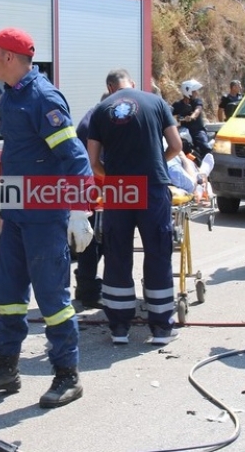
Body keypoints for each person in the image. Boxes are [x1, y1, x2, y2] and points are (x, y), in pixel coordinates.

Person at [0, 27, 94, 408]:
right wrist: (5, 209)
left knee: (53, 298)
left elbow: (75, 158)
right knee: (8, 297)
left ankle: (67, 376)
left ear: (9, 57)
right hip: (18, 215)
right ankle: (6, 369)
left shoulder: (42, 98)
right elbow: (16, 160)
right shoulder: (13, 97)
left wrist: (78, 211)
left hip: (44, 216)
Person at [88, 69, 183, 345]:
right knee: (157, 251)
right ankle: (162, 329)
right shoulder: (156, 102)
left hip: (119, 188)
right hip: (152, 184)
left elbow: (94, 162)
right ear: (132, 83)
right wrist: (157, 165)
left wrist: (116, 178)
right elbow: (176, 145)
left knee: (117, 253)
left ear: (110, 87)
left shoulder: (100, 110)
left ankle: (119, 328)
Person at [73, 92, 111, 309]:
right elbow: (96, 161)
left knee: (94, 243)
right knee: (94, 243)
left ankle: (84, 286)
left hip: (91, 189)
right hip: (93, 190)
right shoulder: (95, 122)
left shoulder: (92, 117)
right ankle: (89, 292)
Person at [172, 79, 211, 158]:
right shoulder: (178, 104)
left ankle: (206, 164)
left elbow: (198, 110)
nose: (196, 93)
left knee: (205, 147)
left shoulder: (197, 101)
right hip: (184, 130)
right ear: (188, 91)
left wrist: (192, 117)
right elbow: (169, 111)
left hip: (197, 130)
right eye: (194, 91)